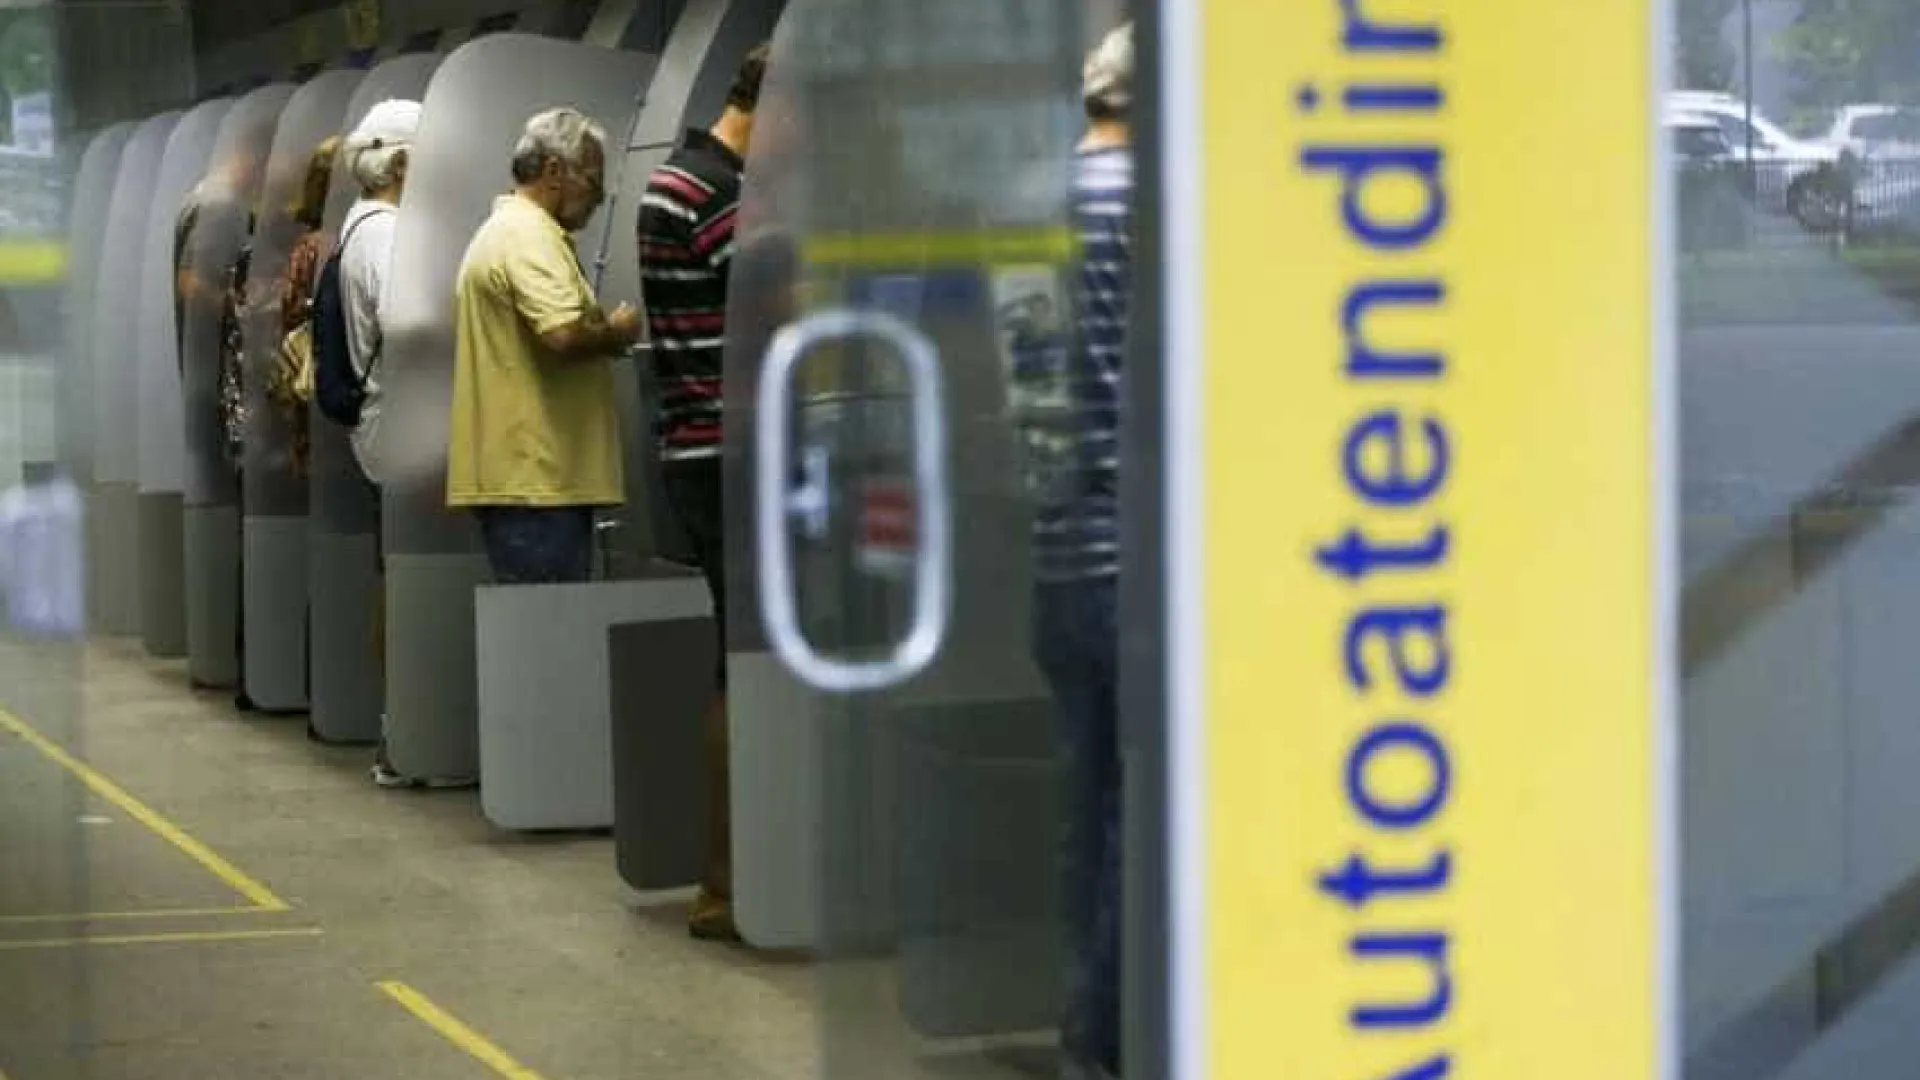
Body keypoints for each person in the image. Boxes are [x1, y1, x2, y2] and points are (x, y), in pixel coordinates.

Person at [1014, 23, 1134, 1080]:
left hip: (1055, 544)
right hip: (1135, 554)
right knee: (1139, 813)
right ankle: (1110, 1039)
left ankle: (1081, 1020)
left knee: (1084, 804)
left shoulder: (1035, 205)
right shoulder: (1153, 202)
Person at [635, 42, 767, 943]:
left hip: (691, 445)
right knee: (745, 663)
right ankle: (727, 880)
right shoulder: (717, 196)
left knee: (736, 656)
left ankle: (730, 876)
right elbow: (779, 312)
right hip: (735, 455)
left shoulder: (670, 181)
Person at [446, 107, 639, 586]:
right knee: (551, 640)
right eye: (592, 183)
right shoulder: (528, 235)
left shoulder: (509, 230)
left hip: (531, 481)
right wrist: (617, 332)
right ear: (555, 171)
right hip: (539, 481)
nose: (597, 201)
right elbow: (563, 333)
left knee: (535, 640)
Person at [334, 99, 444, 788]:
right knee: (403, 582)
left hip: (384, 423)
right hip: (398, 426)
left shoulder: (359, 224)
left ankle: (401, 727)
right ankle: (403, 730)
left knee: (395, 577)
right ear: (403, 162)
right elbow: (413, 323)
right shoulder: (384, 233)